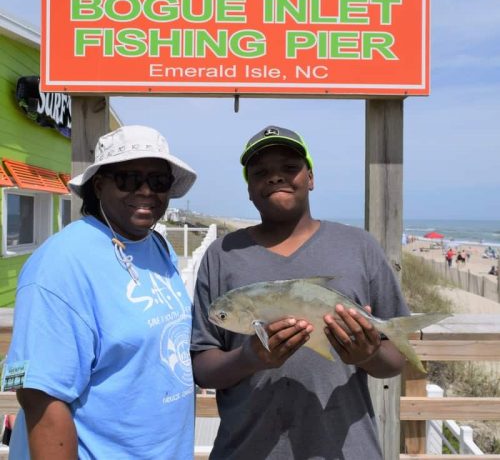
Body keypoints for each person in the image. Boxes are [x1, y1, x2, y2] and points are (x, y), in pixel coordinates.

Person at [191, 126, 410, 460]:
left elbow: (394, 360)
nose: (276, 177)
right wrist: (249, 357)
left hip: (346, 450)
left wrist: (366, 354)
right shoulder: (222, 254)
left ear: (310, 177)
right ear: (249, 189)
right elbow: (203, 365)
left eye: (290, 168)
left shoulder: (359, 246)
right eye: (261, 172)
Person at [3, 125, 197, 459]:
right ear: (99, 184)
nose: (147, 190)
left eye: (159, 181)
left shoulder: (156, 245)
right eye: (129, 178)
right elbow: (41, 398)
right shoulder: (62, 263)